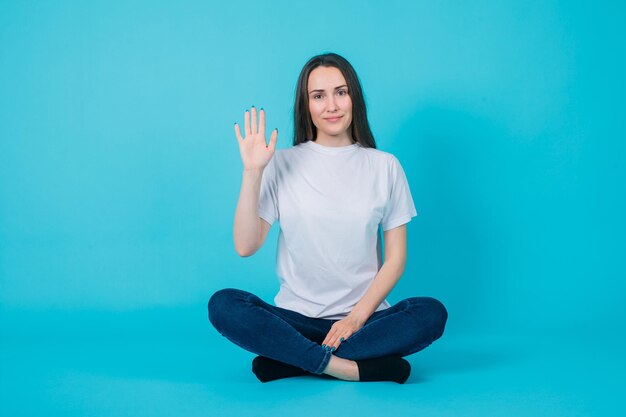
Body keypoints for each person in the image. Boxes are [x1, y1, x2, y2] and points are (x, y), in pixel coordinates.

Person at [208, 52, 447, 384]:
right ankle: (344, 367)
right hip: (297, 320)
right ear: (306, 106)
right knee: (224, 304)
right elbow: (246, 246)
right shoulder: (281, 163)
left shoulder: (385, 166)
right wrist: (252, 173)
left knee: (430, 312)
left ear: (354, 98)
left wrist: (352, 321)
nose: (331, 105)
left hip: (365, 322)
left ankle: (292, 359)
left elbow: (395, 260)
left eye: (341, 92)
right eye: (318, 96)